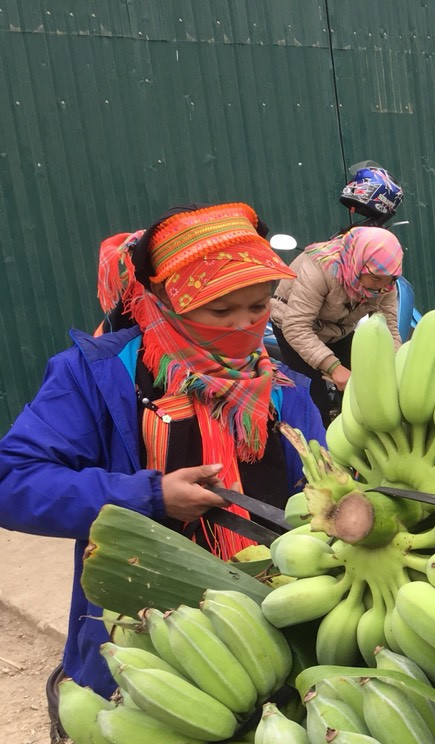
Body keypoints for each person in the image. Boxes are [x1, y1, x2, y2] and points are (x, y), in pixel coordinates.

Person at [0, 202, 326, 697]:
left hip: (267, 630)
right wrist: (149, 497)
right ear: (164, 296)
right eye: (220, 310)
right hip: (138, 635)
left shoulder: (287, 388)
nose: (243, 325)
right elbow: (13, 482)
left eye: (258, 306)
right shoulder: (95, 375)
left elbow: (317, 496)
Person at [271, 225, 403, 417]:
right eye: (375, 279)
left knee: (362, 395)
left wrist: (399, 365)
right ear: (358, 264)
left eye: (390, 279)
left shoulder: (385, 285)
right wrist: (334, 368)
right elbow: (296, 326)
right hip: (294, 329)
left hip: (339, 331)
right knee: (314, 404)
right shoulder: (319, 270)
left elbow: (389, 328)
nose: (382, 287)